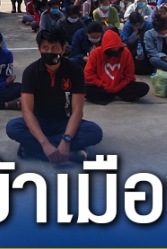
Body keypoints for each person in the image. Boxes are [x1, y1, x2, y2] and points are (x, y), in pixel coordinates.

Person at [7, 27, 102, 163]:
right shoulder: (31, 72)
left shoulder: (75, 71)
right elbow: (27, 111)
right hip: (40, 121)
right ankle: (69, 155)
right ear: (39, 49)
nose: (49, 52)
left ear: (63, 49)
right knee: (13, 127)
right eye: (45, 48)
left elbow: (77, 111)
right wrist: (45, 143)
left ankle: (32, 150)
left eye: (54, 48)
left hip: (65, 122)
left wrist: (66, 140)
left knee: (94, 132)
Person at [84, 29, 150, 104]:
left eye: (117, 50)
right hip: (102, 86)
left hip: (120, 85)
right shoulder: (96, 53)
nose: (115, 54)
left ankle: (109, 96)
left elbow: (129, 76)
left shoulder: (126, 53)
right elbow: (88, 75)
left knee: (144, 87)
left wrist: (118, 87)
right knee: (85, 88)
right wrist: (104, 85)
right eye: (112, 51)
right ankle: (118, 96)